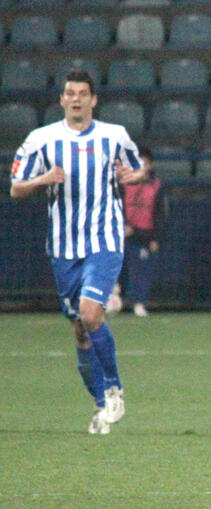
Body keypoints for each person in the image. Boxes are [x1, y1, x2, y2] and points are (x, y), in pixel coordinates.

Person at [9, 69, 147, 434]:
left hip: (104, 240)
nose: (76, 99)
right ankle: (101, 405)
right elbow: (16, 188)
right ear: (62, 100)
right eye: (70, 93)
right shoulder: (42, 140)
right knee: (80, 330)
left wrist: (135, 176)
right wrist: (42, 180)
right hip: (63, 247)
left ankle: (115, 388)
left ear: (93, 100)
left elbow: (138, 168)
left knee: (90, 312)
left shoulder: (114, 136)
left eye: (83, 93)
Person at [121, 145, 167, 317]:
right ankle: (114, 300)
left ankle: (139, 301)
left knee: (142, 269)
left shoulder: (156, 186)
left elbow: (160, 213)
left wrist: (156, 237)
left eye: (144, 163)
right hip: (124, 233)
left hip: (144, 234)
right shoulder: (123, 183)